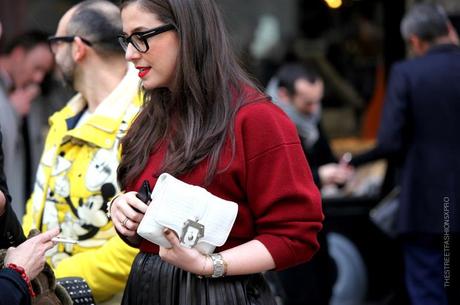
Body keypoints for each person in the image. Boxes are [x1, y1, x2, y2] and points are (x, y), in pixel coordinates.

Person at [110, 1, 323, 304]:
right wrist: (125, 212)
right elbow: (150, 229)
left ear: (188, 32)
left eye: (141, 36)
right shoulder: (148, 121)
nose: (130, 54)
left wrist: (211, 265)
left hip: (222, 294)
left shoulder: (256, 119)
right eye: (126, 39)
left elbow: (296, 235)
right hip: (146, 288)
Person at [21, 0, 141, 303]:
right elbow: (37, 206)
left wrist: (50, 282)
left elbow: (140, 243)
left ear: (77, 48)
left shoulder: (145, 119)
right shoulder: (63, 120)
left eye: (55, 43)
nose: (52, 55)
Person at [350, 4, 460, 305]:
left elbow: (389, 141)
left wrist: (354, 161)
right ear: (449, 30)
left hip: (426, 203)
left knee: (428, 289)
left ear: (414, 41)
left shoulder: (407, 73)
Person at [0, 30, 54, 218]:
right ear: (18, 54)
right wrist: (11, 112)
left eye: (44, 73)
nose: (38, 78)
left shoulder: (26, 94)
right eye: (36, 67)